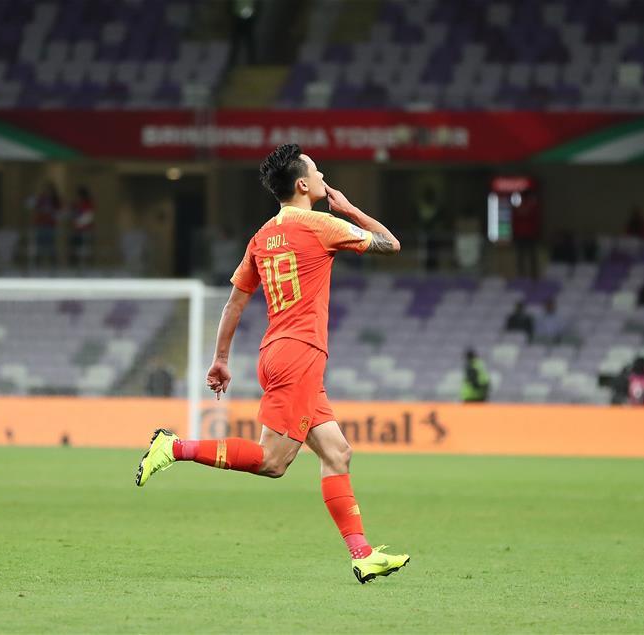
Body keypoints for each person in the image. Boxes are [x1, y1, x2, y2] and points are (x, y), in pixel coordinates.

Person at [135, 144, 409, 584]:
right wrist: (351, 208)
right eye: (318, 172)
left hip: (276, 352)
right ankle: (174, 447)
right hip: (300, 353)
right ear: (303, 185)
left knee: (338, 452)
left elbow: (234, 302)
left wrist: (221, 358)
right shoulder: (321, 224)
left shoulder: (262, 236)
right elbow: (391, 244)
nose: (323, 179)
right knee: (274, 461)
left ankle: (362, 554)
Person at [27, 181, 62, 267]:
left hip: (50, 225)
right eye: (46, 190)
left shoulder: (55, 200)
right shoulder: (40, 199)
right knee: (39, 244)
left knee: (51, 244)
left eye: (49, 190)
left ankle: (54, 263)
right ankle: (37, 263)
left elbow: (59, 212)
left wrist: (53, 214)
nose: (47, 192)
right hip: (40, 224)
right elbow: (28, 204)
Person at [512, 189, 541, 278]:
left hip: (529, 234)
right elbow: (515, 220)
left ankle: (532, 276)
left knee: (530, 256)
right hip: (522, 235)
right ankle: (522, 276)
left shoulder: (532, 206)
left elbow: (534, 220)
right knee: (522, 257)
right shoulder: (522, 206)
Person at [70, 186, 95, 267]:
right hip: (77, 230)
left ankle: (85, 265)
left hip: (86, 230)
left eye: (78, 195)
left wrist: (79, 222)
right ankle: (76, 265)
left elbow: (89, 217)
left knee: (85, 249)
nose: (76, 197)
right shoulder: (75, 204)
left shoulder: (88, 204)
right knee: (76, 249)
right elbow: (72, 214)